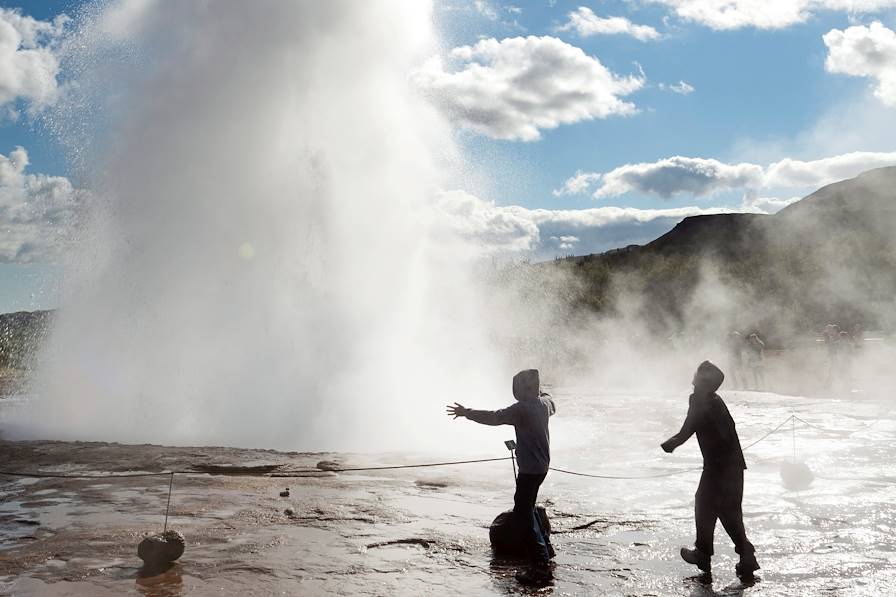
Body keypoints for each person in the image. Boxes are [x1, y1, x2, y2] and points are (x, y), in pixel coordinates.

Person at [447, 369, 556, 586]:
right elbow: (549, 398)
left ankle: (540, 566)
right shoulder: (545, 404)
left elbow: (494, 417)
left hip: (529, 470)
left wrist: (466, 412)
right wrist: (539, 389)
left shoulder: (521, 409)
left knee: (523, 513)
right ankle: (547, 549)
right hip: (542, 467)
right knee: (528, 506)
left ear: (522, 389)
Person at [660, 361, 760, 580]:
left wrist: (671, 444)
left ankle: (706, 554)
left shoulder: (699, 400)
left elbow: (687, 430)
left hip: (718, 467)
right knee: (727, 511)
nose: (693, 376)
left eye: (697, 374)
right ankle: (742, 556)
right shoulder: (716, 399)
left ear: (703, 382)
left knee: (710, 506)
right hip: (733, 465)